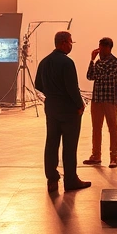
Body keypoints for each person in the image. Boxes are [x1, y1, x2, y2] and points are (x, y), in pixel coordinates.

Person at [34, 31, 91, 192]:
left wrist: (52, 94)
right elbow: (71, 88)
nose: (71, 45)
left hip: (51, 107)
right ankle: (71, 180)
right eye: (71, 42)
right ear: (64, 42)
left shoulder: (44, 62)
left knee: (51, 142)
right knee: (69, 145)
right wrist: (80, 104)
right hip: (68, 109)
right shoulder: (67, 63)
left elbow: (38, 84)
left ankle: (52, 179)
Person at [84, 37, 117, 168]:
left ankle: (113, 157)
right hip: (97, 99)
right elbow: (89, 76)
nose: (99, 50)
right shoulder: (97, 62)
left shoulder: (115, 62)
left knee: (112, 128)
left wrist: (97, 74)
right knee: (96, 128)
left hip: (110, 99)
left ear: (108, 48)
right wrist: (91, 60)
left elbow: (108, 76)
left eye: (101, 47)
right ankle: (96, 155)